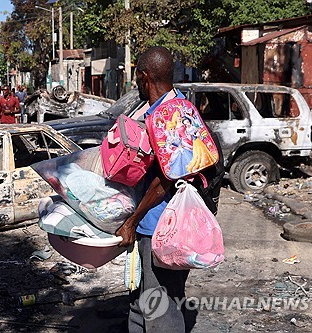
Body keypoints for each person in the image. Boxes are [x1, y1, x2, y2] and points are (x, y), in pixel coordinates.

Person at [115, 46, 195, 333]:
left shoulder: (166, 115)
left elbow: (166, 180)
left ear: (143, 76)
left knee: (160, 304)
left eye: (137, 78)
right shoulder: (179, 105)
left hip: (161, 226)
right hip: (161, 223)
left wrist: (132, 220)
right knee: (142, 298)